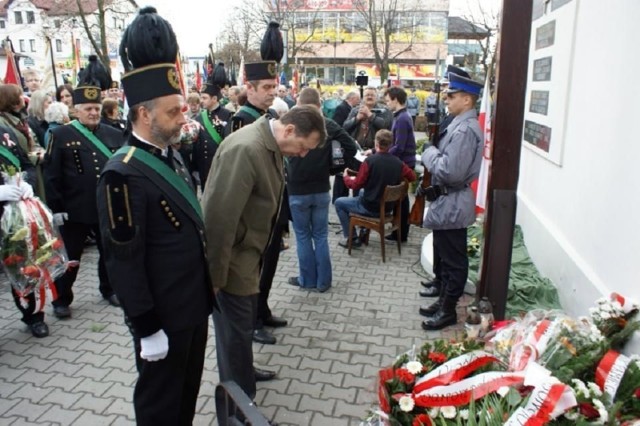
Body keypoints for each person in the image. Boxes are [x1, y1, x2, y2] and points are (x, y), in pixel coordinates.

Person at [96, 7, 216, 424]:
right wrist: (146, 327)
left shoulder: (172, 156)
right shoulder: (122, 174)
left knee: (184, 401)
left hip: (193, 308)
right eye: (173, 112)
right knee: (158, 409)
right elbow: (123, 260)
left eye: (183, 108)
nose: (183, 117)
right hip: (163, 319)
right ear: (144, 114)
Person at [202, 104, 326, 412]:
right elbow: (218, 220)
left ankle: (245, 379)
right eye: (302, 147)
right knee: (233, 337)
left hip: (247, 258)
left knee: (240, 333)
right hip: (231, 266)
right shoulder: (246, 149)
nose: (302, 155)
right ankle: (239, 411)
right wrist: (214, 278)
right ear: (288, 130)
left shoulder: (268, 144)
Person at [44, 56, 126, 319]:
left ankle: (109, 288)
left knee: (109, 253)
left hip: (106, 207)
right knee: (70, 259)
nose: (93, 112)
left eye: (96, 107)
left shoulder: (113, 134)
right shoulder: (61, 135)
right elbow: (51, 176)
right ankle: (61, 299)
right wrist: (56, 209)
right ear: (76, 110)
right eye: (87, 108)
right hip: (74, 209)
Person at [225, 62, 287, 347]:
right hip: (254, 211)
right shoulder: (242, 120)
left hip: (271, 206)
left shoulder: (268, 115)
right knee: (254, 270)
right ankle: (252, 323)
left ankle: (262, 309)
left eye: (274, 87)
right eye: (266, 88)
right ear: (249, 88)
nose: (272, 92)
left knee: (269, 264)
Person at [419, 73, 483, 331]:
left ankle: (448, 310)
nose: (447, 99)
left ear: (467, 100)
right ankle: (444, 300)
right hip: (448, 201)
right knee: (445, 258)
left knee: (454, 261)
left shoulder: (466, 129)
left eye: (452, 95)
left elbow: (450, 171)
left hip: (453, 201)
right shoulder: (459, 123)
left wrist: (429, 153)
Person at [287, 87, 357, 293]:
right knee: (320, 235)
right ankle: (323, 282)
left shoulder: (293, 123)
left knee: (302, 236)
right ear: (319, 104)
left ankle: (307, 280)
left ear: (299, 103)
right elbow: (351, 147)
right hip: (320, 188)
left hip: (297, 188)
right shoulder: (328, 124)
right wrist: (333, 166)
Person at [334, 129, 415, 247]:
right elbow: (412, 176)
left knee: (339, 202)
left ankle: (352, 238)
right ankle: (364, 229)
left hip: (370, 207)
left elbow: (356, 184)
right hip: (388, 208)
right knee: (362, 192)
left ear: (376, 144)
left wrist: (346, 178)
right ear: (390, 145)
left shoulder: (369, 161)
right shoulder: (398, 163)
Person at [0, 125, 45, 337]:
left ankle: (33, 316)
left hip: (15, 213)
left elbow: (26, 164)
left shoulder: (3, 131)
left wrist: (27, 183)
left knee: (22, 266)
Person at [334, 87, 392, 202]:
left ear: (376, 97)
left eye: (372, 95)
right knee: (353, 177)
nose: (369, 97)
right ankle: (350, 203)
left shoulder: (384, 111)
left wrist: (370, 115)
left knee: (367, 180)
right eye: (367, 95)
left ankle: (361, 203)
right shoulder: (355, 110)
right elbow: (344, 127)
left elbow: (386, 126)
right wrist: (357, 119)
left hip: (373, 152)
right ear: (363, 98)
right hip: (356, 152)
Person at [0, 84, 46, 198]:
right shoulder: (3, 122)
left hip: (27, 175)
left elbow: (29, 147)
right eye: (20, 95)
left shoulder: (20, 120)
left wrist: (40, 152)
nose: (23, 97)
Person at [384, 86, 416, 243]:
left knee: (401, 200)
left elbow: (399, 146)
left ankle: (401, 233)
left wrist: (382, 155)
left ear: (396, 100)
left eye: (388, 101)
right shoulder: (400, 116)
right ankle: (399, 231)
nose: (387, 104)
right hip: (403, 163)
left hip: (404, 164)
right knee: (401, 199)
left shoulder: (402, 118)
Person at [192, 81, 231, 190]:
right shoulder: (199, 118)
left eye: (204, 98)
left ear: (214, 99)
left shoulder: (227, 115)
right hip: (204, 165)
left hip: (221, 163)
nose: (201, 101)